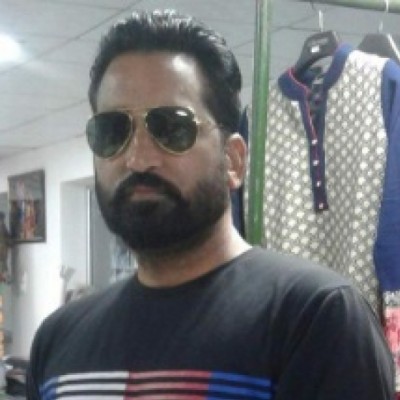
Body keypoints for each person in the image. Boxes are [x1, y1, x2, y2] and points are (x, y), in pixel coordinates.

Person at [27, 9, 394, 400]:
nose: (138, 158)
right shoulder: (58, 340)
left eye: (172, 128)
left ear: (233, 160)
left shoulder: (315, 318)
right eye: (112, 131)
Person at [0, 212, 11, 283]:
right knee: (4, 262)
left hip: (3, 247)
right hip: (2, 247)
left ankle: (5, 277)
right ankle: (5, 277)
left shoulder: (3, 226)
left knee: (4, 263)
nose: (3, 220)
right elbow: (7, 236)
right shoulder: (2, 226)